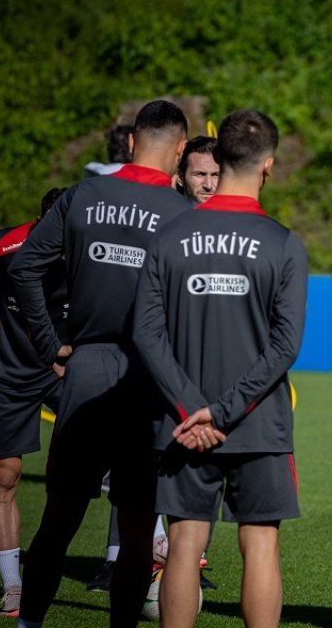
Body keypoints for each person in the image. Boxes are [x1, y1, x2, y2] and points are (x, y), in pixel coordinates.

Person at [8, 99, 193, 628]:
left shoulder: (82, 195)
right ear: (181, 150)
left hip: (85, 370)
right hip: (148, 380)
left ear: (131, 142)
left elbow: (24, 269)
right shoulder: (184, 214)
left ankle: (29, 623)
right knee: (136, 530)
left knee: (59, 518)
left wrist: (51, 345)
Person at [132, 109, 307, 628]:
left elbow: (146, 334)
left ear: (219, 157)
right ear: (268, 165)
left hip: (183, 423)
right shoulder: (283, 242)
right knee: (261, 542)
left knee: (184, 541)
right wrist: (225, 412)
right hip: (258, 422)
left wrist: (194, 409)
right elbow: (285, 346)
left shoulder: (169, 235)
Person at [0, 188, 69, 617]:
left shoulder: (90, 249)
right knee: (5, 475)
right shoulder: (6, 244)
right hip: (7, 372)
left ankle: (137, 551)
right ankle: (13, 584)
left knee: (116, 454)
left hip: (66, 371)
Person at [173, 135, 219, 205]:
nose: (208, 186)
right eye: (200, 174)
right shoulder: (164, 210)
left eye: (215, 175)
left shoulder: (235, 211)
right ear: (180, 178)